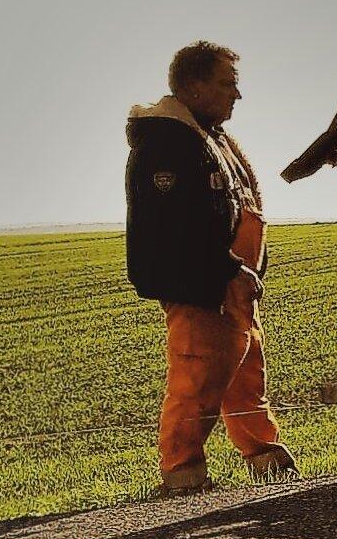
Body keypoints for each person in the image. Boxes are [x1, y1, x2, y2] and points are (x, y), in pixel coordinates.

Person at [126, 40, 295, 494]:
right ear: (195, 86)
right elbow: (177, 224)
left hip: (233, 282)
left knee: (244, 374)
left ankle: (265, 457)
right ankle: (183, 477)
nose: (235, 95)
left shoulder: (206, 135)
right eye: (227, 84)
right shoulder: (168, 143)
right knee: (196, 375)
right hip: (203, 284)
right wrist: (226, 268)